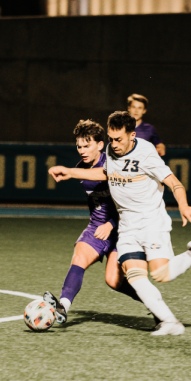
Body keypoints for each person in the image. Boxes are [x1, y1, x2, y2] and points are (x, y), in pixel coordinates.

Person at [49, 110, 191, 336]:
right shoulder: (112, 150)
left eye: (118, 139)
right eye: (111, 139)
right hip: (127, 227)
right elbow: (106, 172)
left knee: (162, 274)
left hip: (151, 222)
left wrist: (183, 206)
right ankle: (170, 321)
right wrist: (71, 172)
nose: (114, 144)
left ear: (132, 135)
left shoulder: (146, 153)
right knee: (133, 276)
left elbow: (174, 183)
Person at [41, 119, 145, 324]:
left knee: (113, 281)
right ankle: (63, 307)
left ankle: (152, 302)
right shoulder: (81, 169)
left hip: (122, 228)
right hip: (97, 227)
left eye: (86, 145)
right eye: (78, 146)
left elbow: (129, 202)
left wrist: (111, 224)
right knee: (79, 257)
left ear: (100, 144)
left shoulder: (115, 164)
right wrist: (101, 225)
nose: (81, 150)